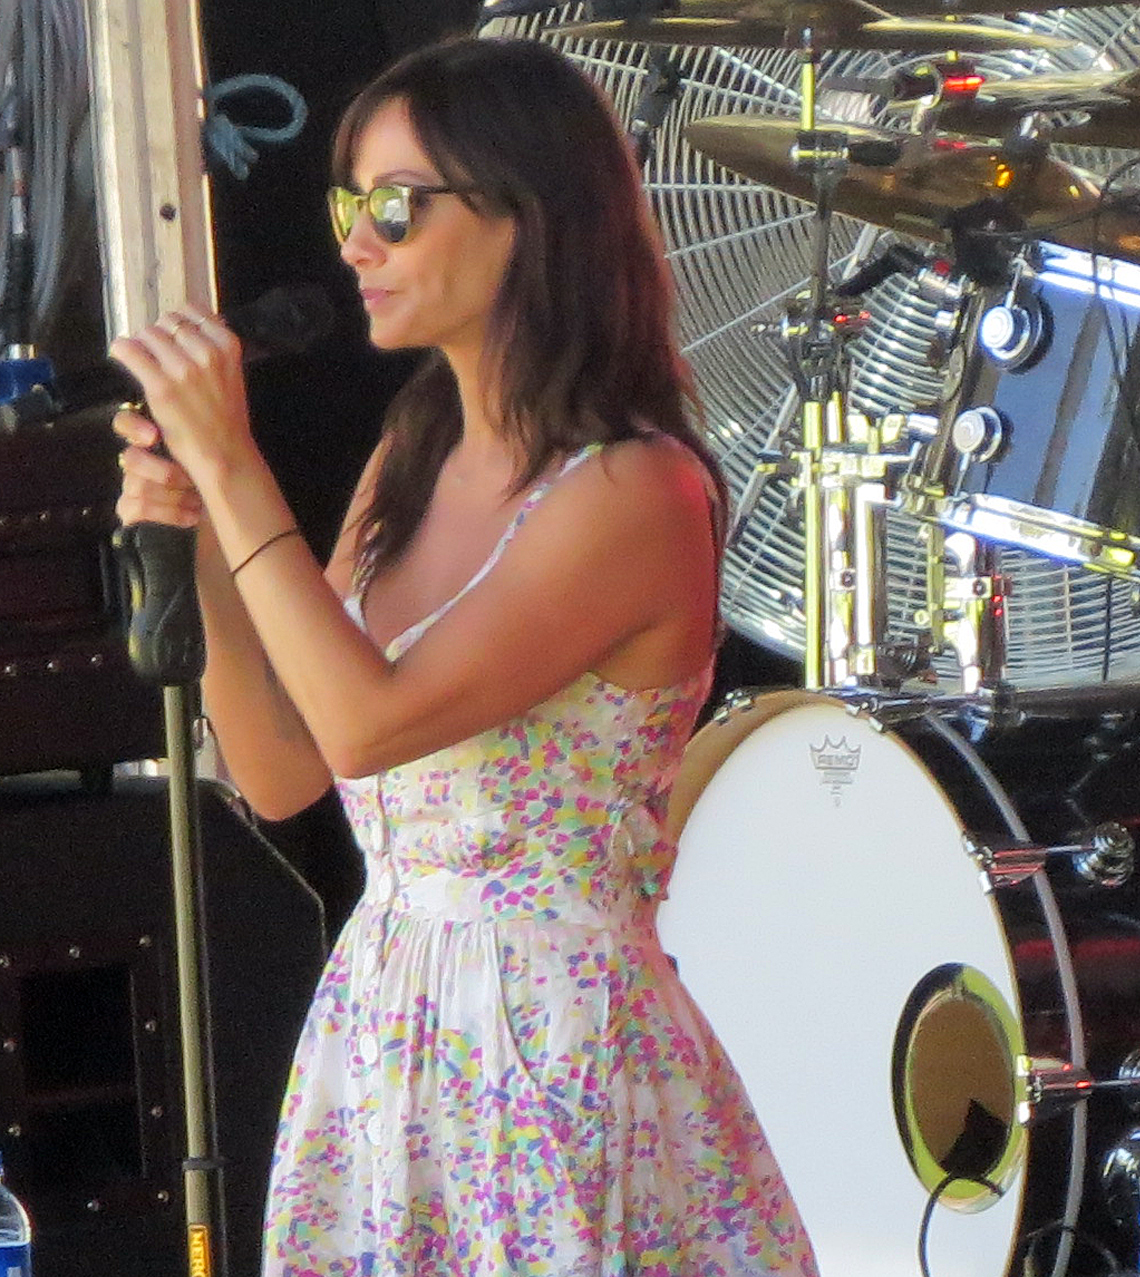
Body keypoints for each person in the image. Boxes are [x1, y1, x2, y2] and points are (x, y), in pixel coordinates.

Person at [111, 34, 818, 1277]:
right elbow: (281, 766)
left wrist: (234, 463)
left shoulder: (636, 489)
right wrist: (203, 531)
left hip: (550, 1045)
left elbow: (367, 725)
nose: (357, 246)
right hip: (388, 1022)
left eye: (396, 207)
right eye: (351, 208)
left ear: (527, 218)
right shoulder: (415, 446)